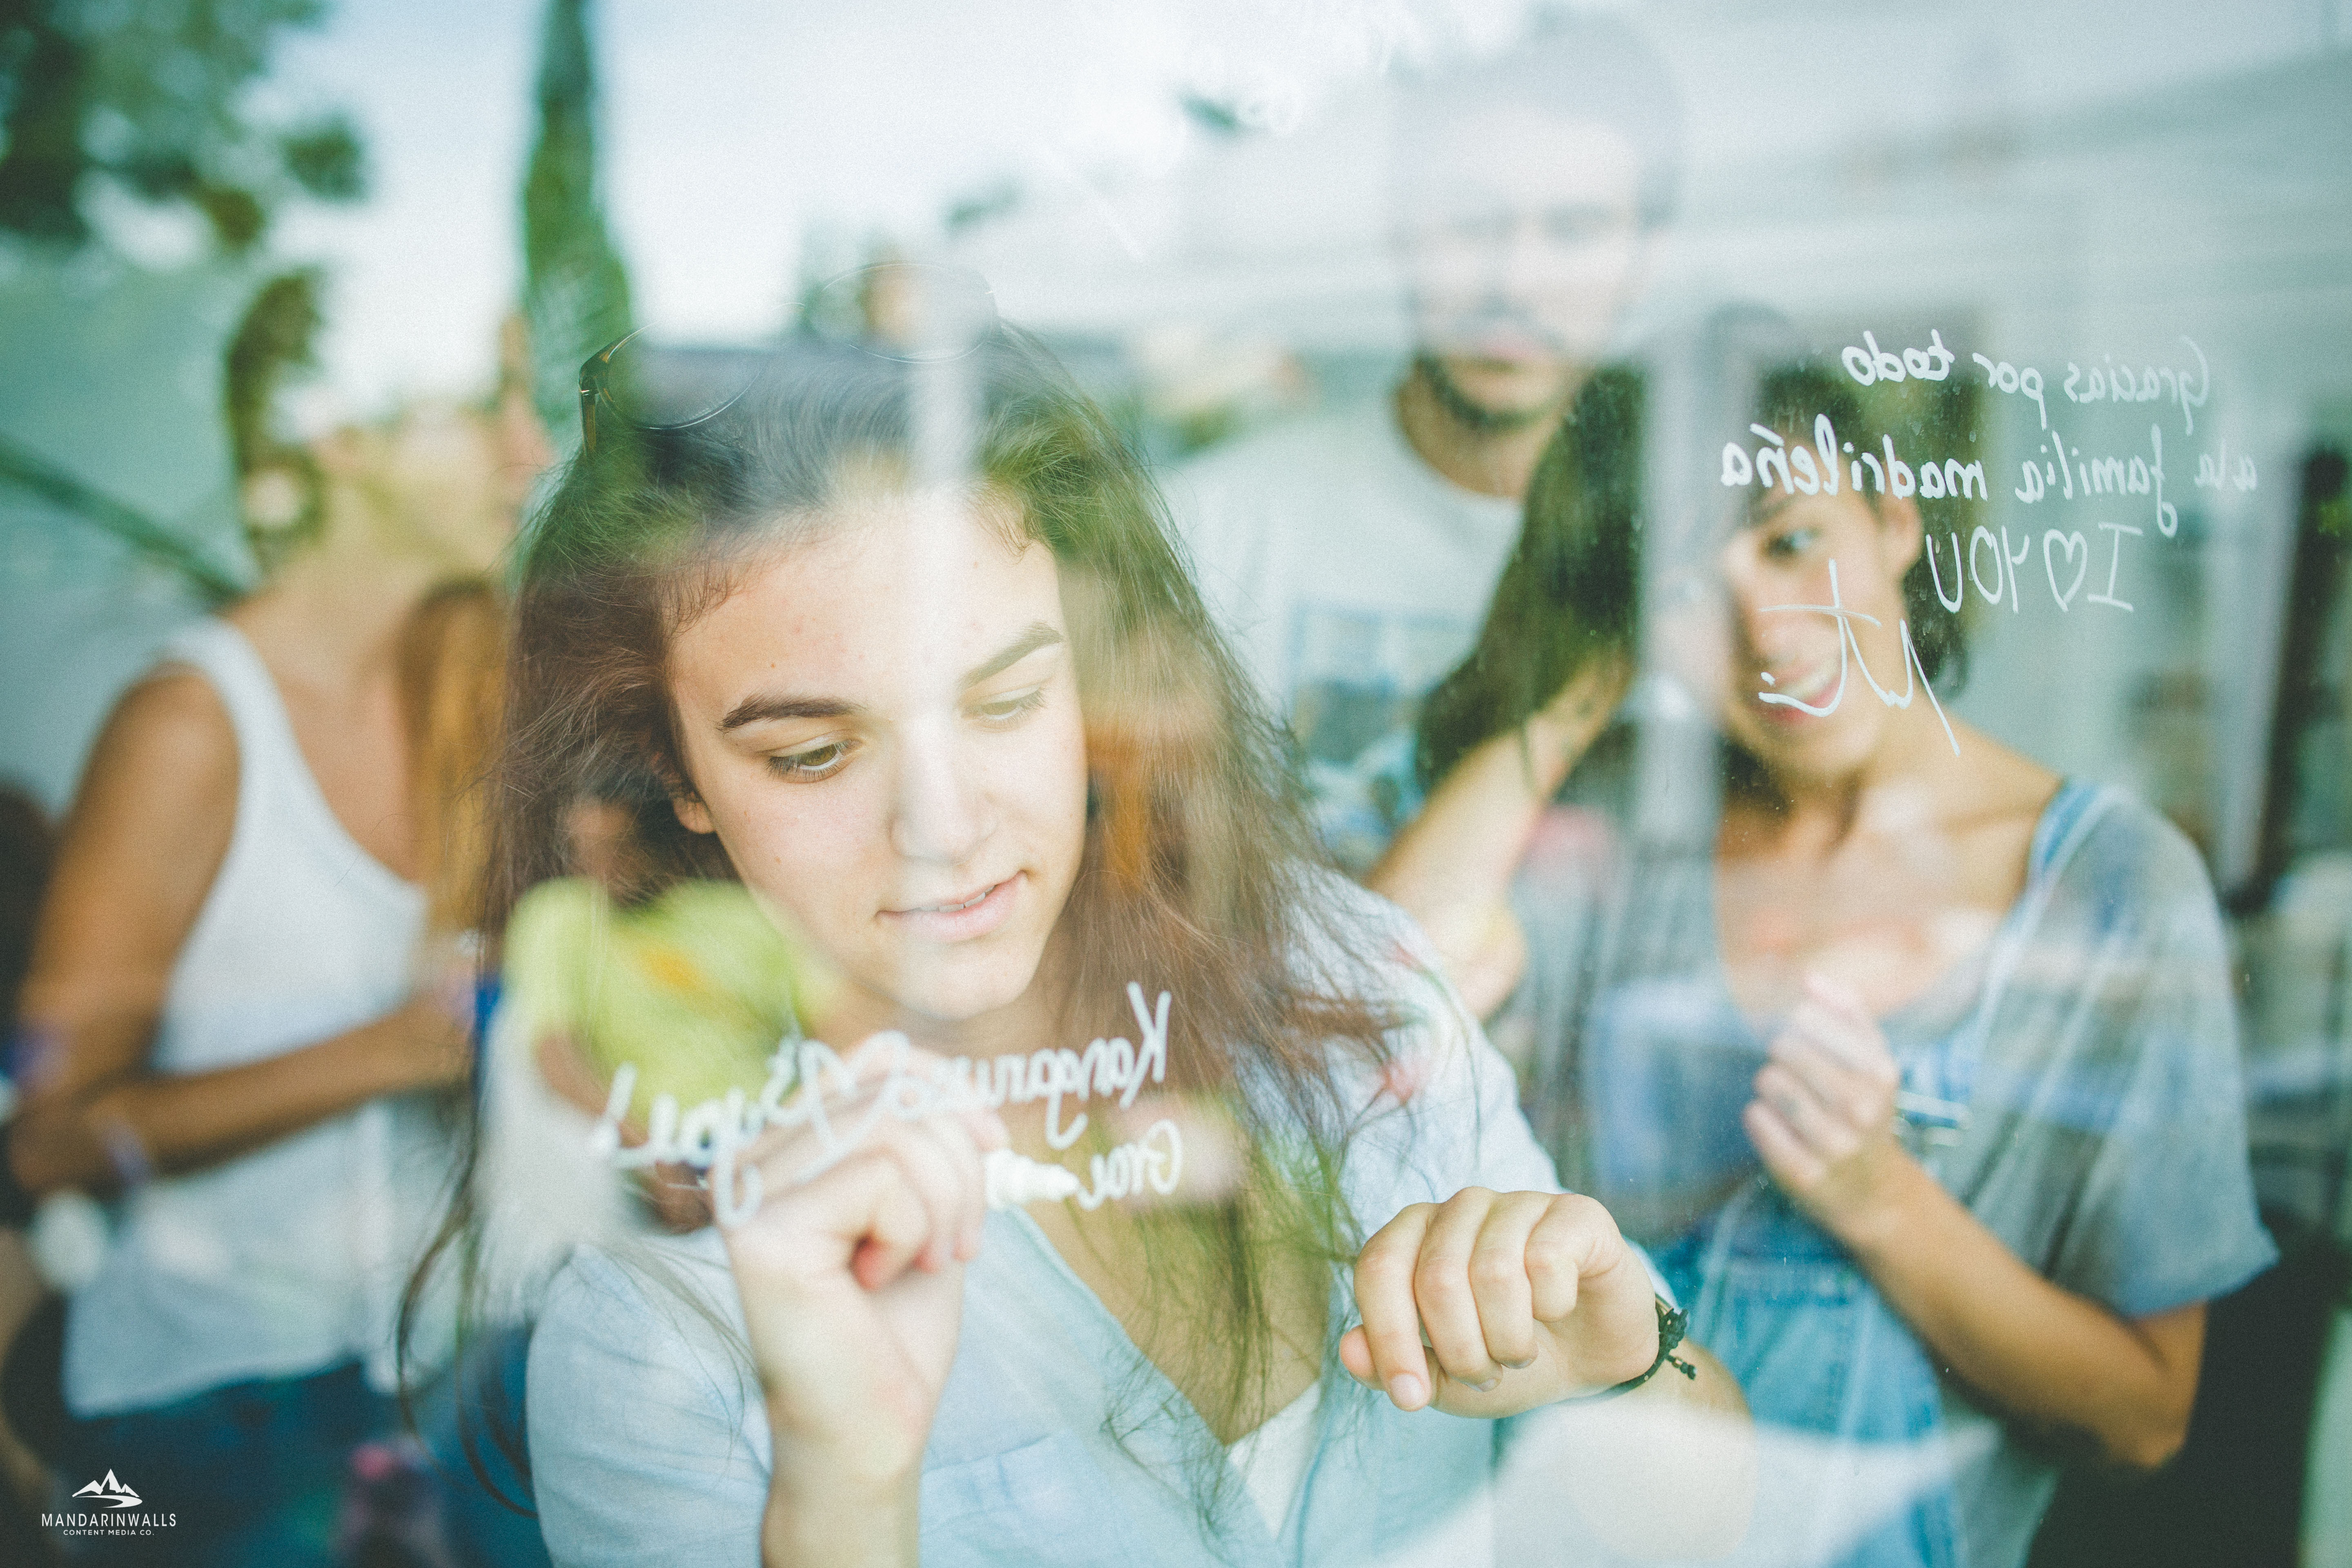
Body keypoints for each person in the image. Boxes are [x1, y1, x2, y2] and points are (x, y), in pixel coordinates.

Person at [479, 292, 1752, 1568]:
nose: (943, 823)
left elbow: (1711, 1537)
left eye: (1006, 702)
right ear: (673, 775)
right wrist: (847, 1489)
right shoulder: (663, 1326)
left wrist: (1628, 1365)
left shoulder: (1345, 984)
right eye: (813, 754)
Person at [1372, 361, 2276, 1568]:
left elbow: (2148, 1418)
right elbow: (1377, 1001)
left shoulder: (2118, 886)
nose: (1768, 633)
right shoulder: (1638, 821)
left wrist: (1883, 1202)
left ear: (1899, 520)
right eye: (1694, 590)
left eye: (1794, 543)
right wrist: (1598, 667)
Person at [3, 270, 553, 1565]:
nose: (532, 447)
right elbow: (49, 1144)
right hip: (215, 1415)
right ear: (340, 438)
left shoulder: (470, 673)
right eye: (486, 404)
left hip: (454, 1370)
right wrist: (390, 1049)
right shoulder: (191, 727)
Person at [1166, 17, 1680, 873]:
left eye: (1576, 232)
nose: (1514, 282)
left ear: (1647, 258)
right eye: (1473, 225)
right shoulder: (1206, 532)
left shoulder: (1699, 557)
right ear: (1402, 227)